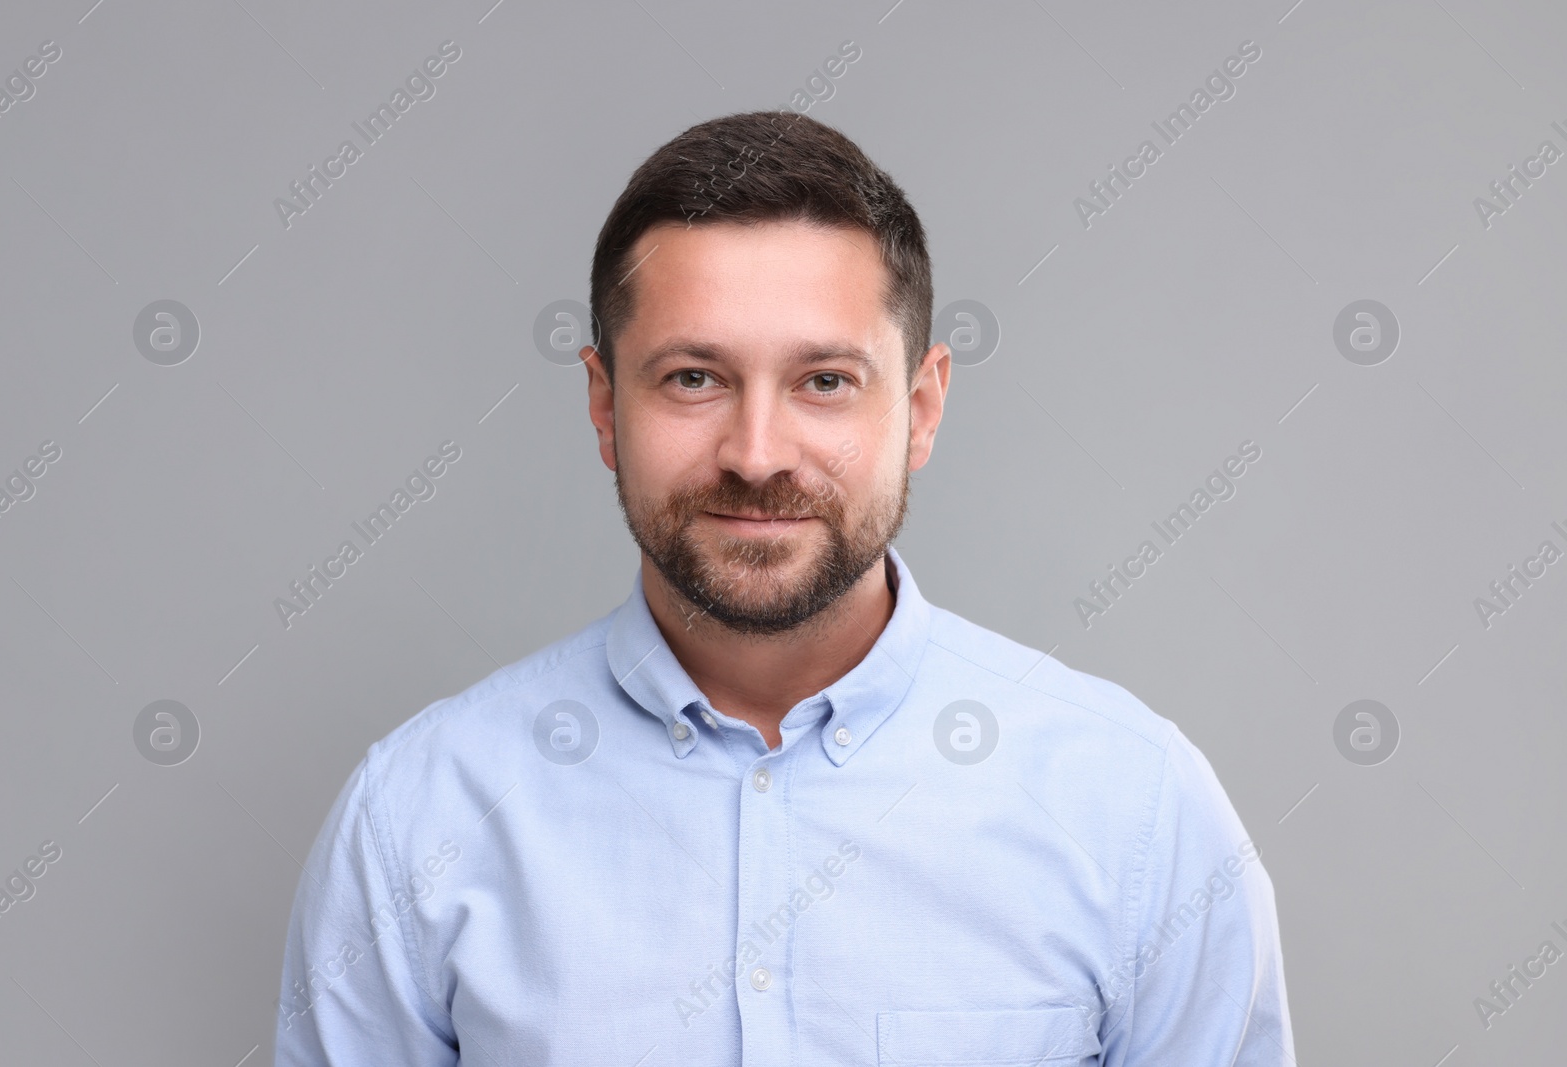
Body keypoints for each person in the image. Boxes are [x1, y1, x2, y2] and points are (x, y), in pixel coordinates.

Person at [274, 109, 1293, 1065]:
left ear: (923, 405)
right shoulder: (414, 818)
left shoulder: (1135, 809)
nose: (756, 454)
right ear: (602, 403)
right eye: (693, 377)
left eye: (824, 381)